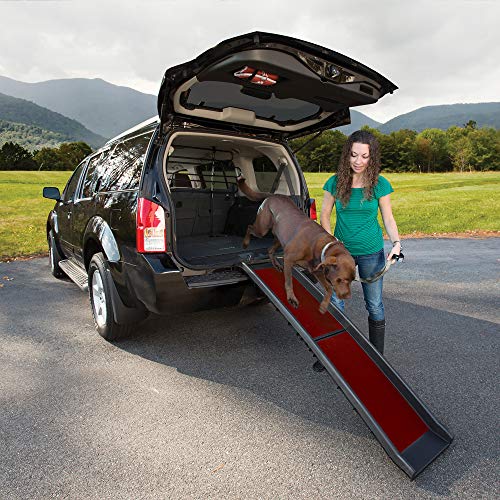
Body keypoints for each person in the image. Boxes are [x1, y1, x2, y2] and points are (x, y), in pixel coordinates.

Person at [314, 130, 401, 369]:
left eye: (364, 156)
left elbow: (388, 218)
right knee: (336, 301)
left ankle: (377, 356)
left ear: (372, 158)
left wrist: (397, 244)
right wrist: (331, 242)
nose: (358, 161)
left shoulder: (380, 184)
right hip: (342, 255)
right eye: (354, 155)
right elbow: (324, 214)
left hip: (372, 252)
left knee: (374, 304)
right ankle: (330, 354)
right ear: (347, 155)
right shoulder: (335, 182)